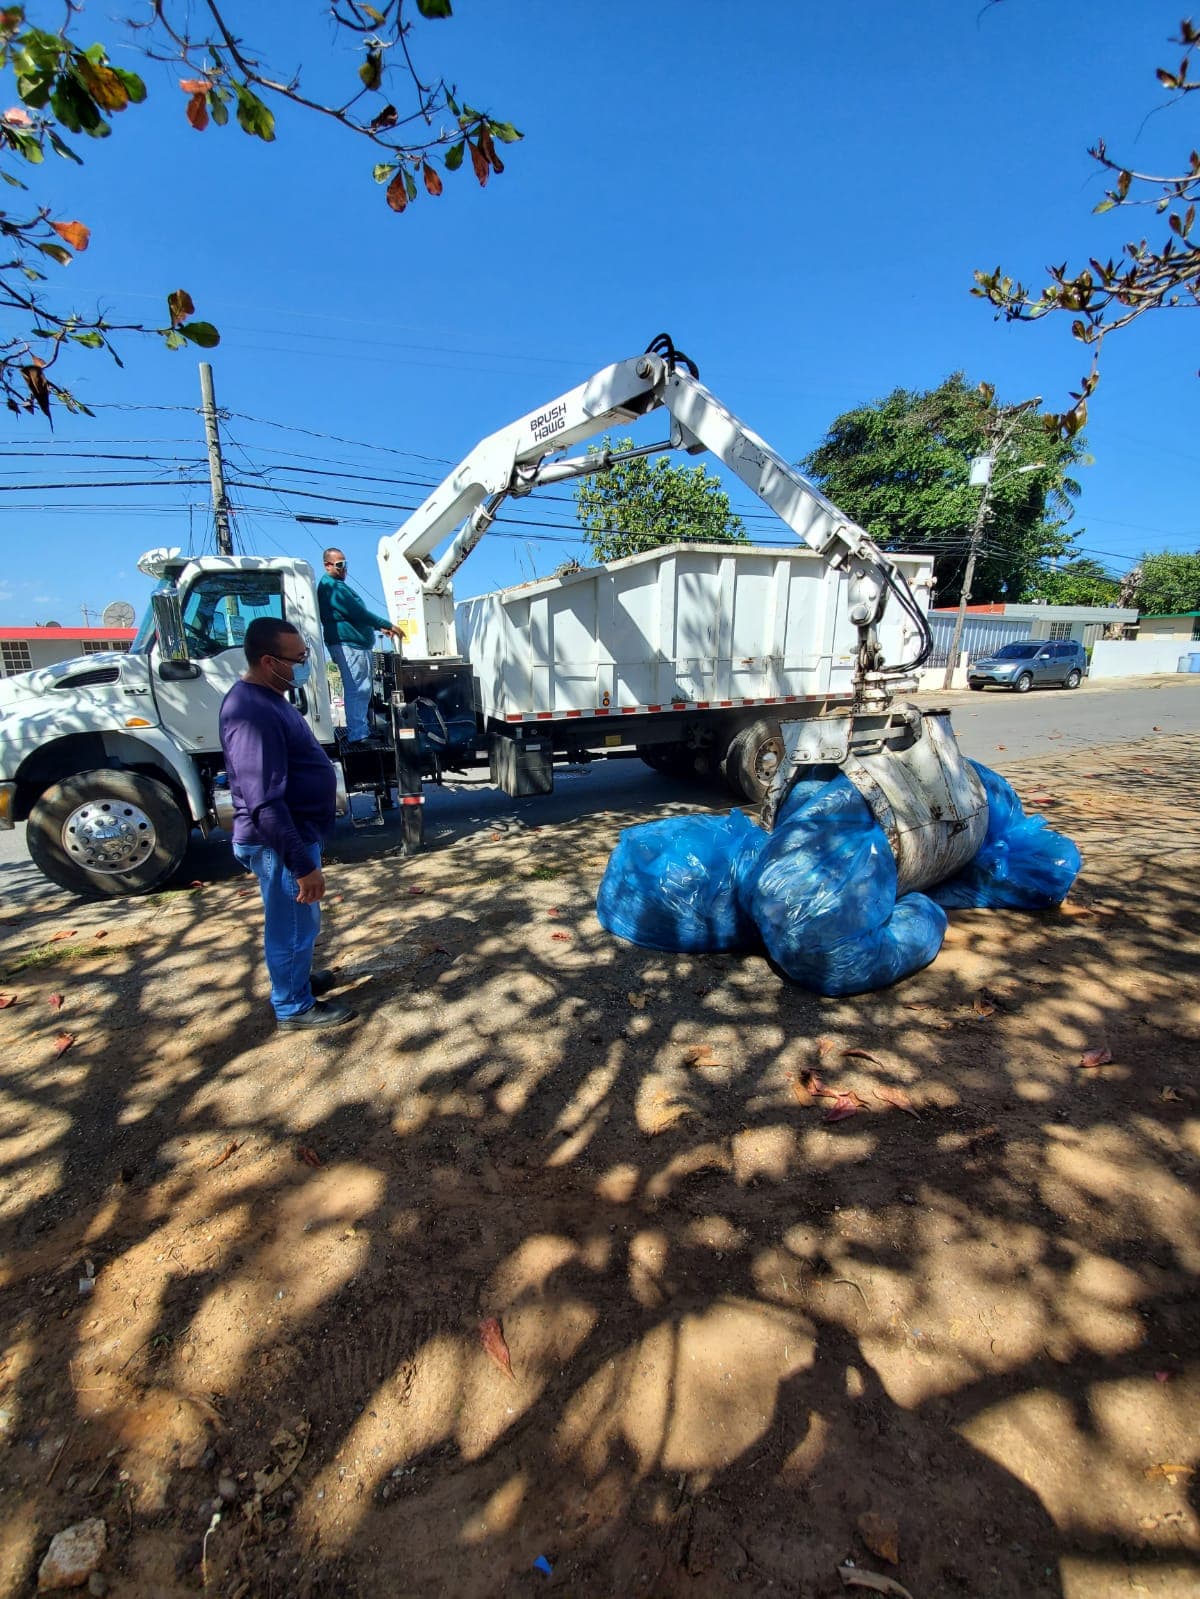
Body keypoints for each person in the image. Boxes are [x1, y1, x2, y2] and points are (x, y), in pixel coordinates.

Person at [219, 617, 357, 1031]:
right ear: (267, 660)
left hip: (292, 834)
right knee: (292, 925)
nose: (303, 666)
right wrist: (302, 866)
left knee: (300, 922)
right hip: (278, 841)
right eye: (297, 659)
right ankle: (294, 1006)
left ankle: (295, 980)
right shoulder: (251, 712)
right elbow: (263, 802)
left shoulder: (269, 697)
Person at [317, 547, 398, 748]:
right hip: (349, 645)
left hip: (352, 645)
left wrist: (378, 626)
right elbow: (357, 612)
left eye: (345, 564)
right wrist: (386, 624)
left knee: (360, 688)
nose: (344, 569)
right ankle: (358, 734)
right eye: (339, 565)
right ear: (327, 565)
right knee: (357, 688)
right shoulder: (332, 587)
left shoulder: (334, 586)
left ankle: (359, 730)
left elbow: (355, 614)